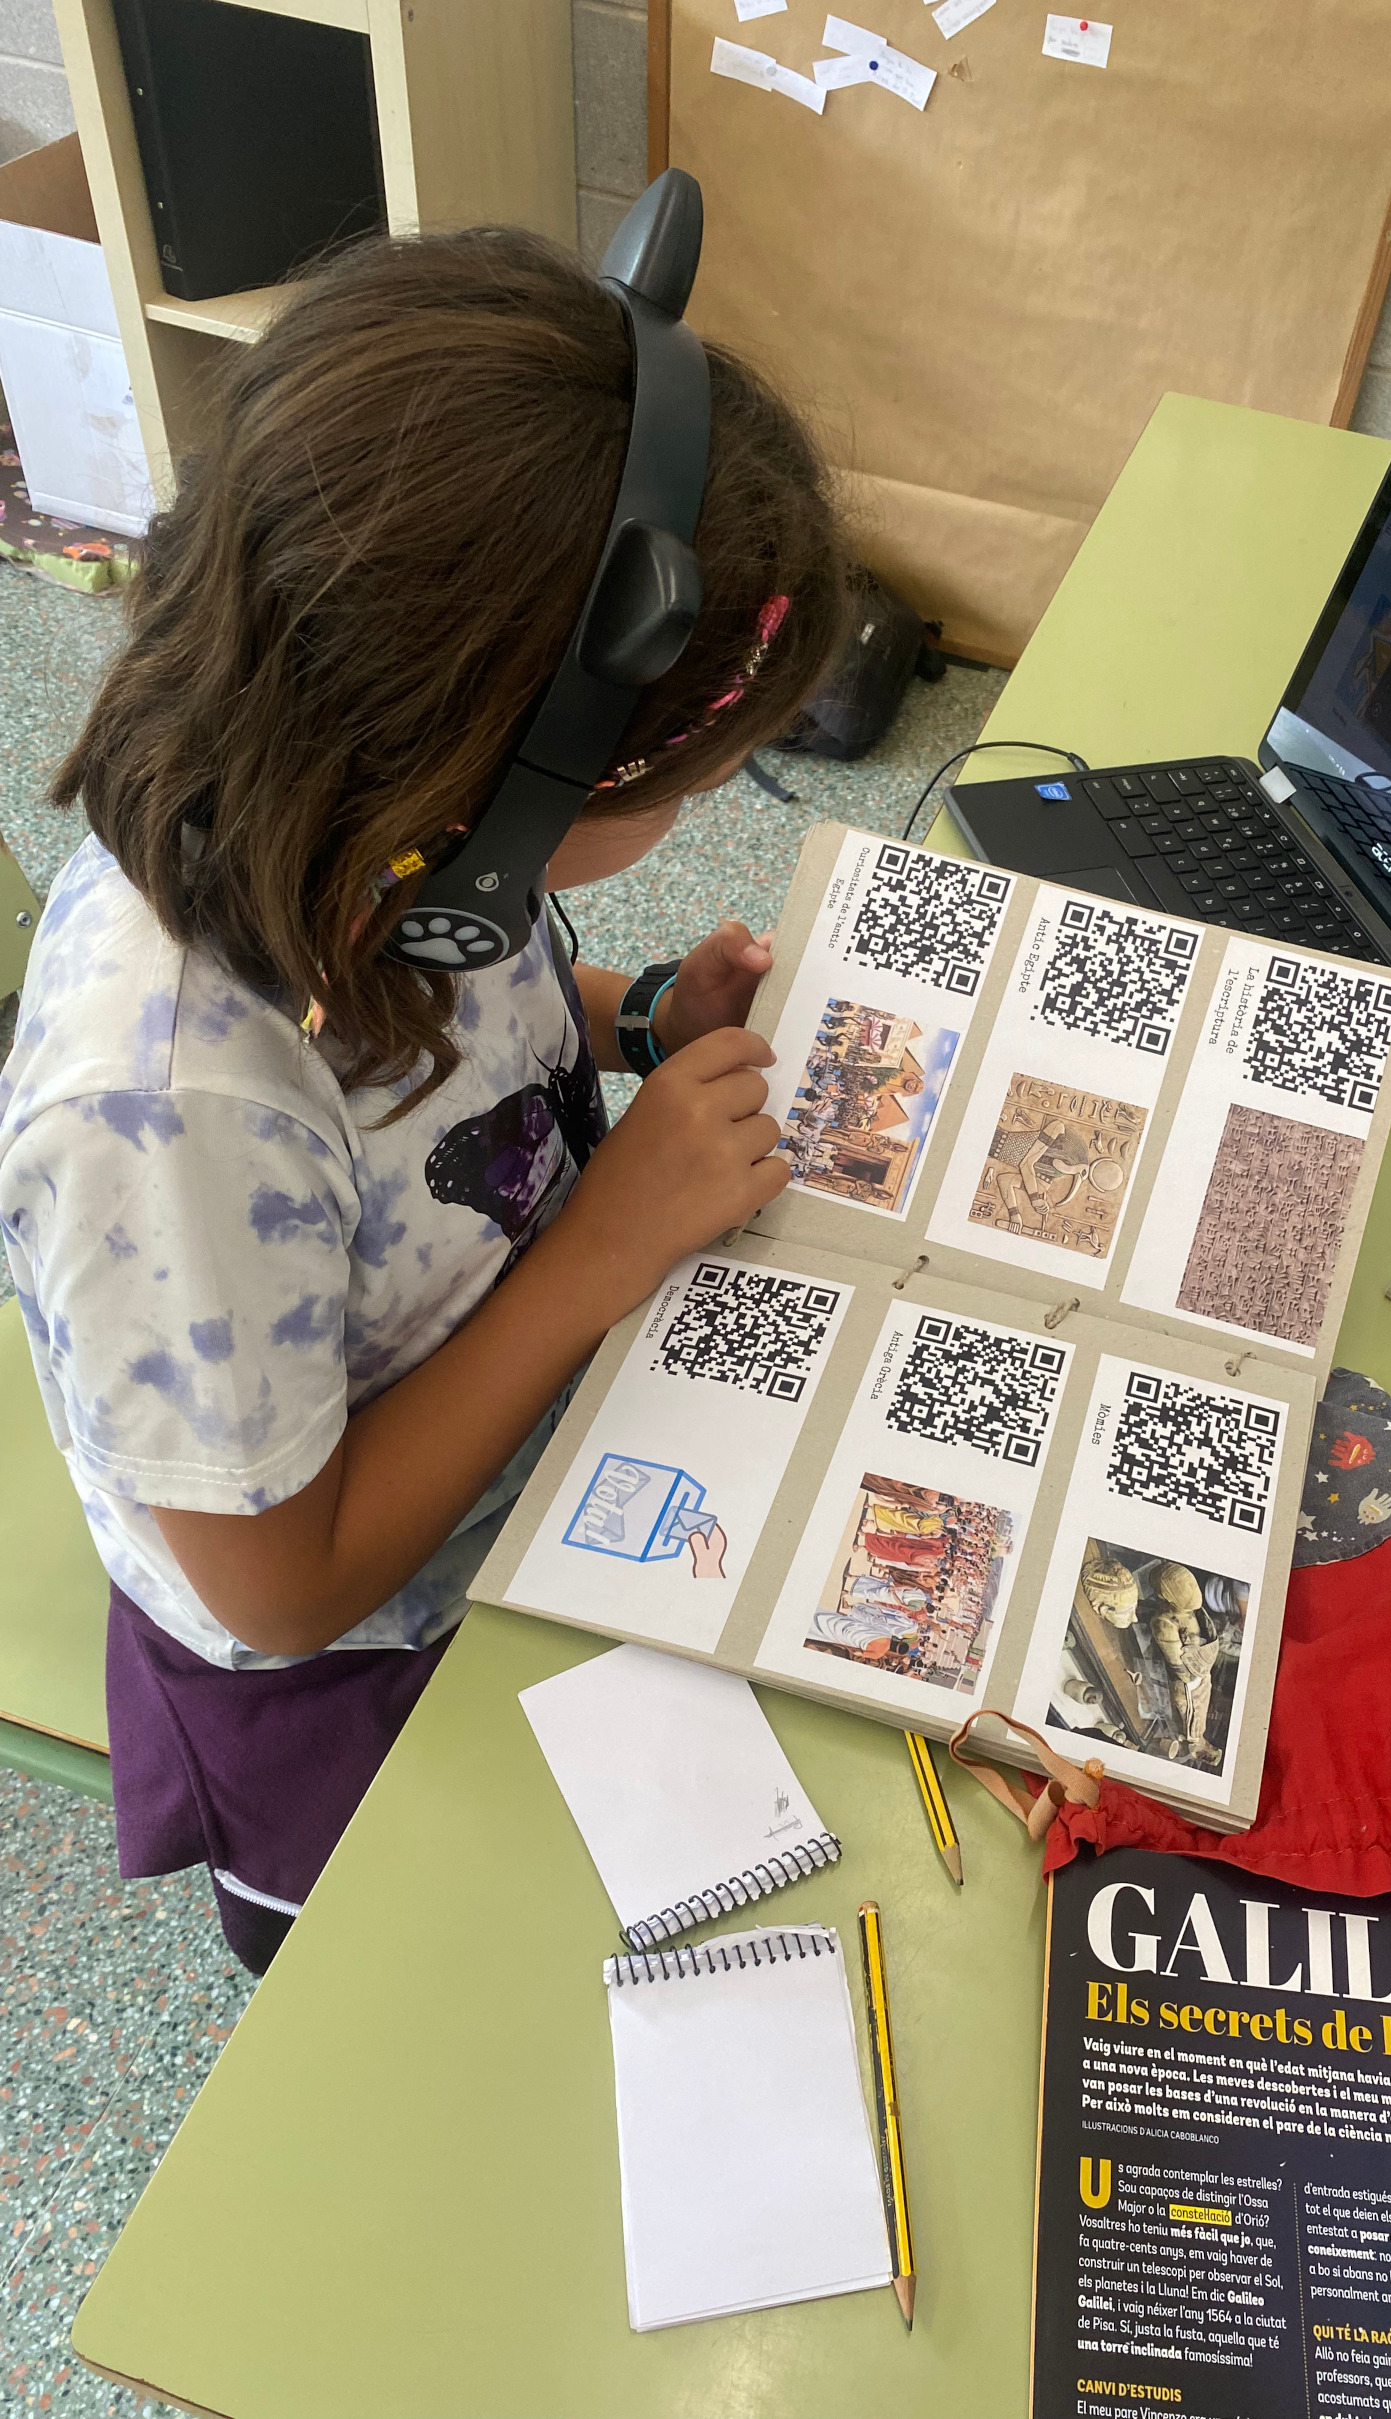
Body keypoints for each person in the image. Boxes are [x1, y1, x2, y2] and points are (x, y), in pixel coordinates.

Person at [0, 228, 845, 1974]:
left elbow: (471, 1023)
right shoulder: (164, 1110)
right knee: (435, 1979)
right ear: (499, 779)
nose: (695, 811)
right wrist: (601, 1251)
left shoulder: (383, 831)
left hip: (546, 1481)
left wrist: (636, 1018)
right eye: (684, 782)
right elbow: (282, 1588)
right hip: (358, 1678)